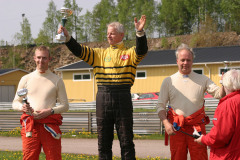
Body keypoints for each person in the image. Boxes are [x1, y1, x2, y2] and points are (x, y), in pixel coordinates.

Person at [58, 15, 148, 160]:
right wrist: (67, 37)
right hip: (103, 97)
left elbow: (142, 50)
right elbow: (79, 50)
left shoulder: (130, 53)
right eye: (107, 33)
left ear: (121, 35)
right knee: (103, 143)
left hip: (123, 97)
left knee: (126, 142)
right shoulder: (99, 54)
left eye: (112, 33)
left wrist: (140, 33)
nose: (108, 36)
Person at [156, 43, 225, 160]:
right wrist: (166, 123)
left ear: (192, 61)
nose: (185, 63)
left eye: (188, 60)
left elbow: (219, 94)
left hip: (196, 127)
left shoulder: (203, 79)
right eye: (182, 60)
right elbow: (160, 106)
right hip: (176, 128)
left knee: (200, 156)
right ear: (177, 61)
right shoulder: (168, 81)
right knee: (177, 157)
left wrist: (224, 82)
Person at [12, 45, 69, 160]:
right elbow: (15, 103)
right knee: (29, 157)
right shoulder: (25, 79)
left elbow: (65, 105)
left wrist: (51, 111)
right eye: (38, 57)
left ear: (49, 59)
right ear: (34, 58)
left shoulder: (57, 80)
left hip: (50, 126)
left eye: (44, 58)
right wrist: (22, 107)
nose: (41, 61)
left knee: (54, 157)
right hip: (31, 126)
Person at [195, 69, 240, 159]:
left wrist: (204, 139)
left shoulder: (227, 104)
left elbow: (220, 136)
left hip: (228, 155)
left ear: (225, 84)